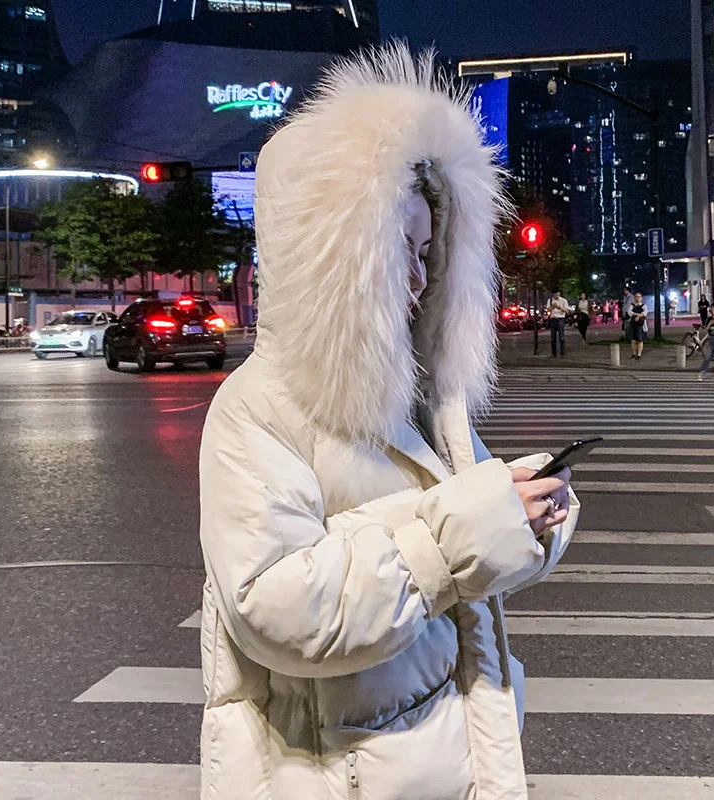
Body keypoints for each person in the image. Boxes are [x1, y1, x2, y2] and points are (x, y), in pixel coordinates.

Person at [197, 44, 579, 800]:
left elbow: (470, 540)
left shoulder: (426, 393)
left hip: (438, 759)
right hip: (329, 775)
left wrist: (528, 514)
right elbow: (275, 608)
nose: (418, 277)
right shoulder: (258, 407)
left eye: (429, 251)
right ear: (330, 257)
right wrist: (461, 530)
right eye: (395, 249)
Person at [546, 288, 570, 357]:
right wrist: (552, 307)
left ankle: (562, 353)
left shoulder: (563, 300)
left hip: (560, 319)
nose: (556, 295)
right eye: (554, 294)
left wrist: (560, 308)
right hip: (553, 319)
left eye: (557, 293)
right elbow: (548, 309)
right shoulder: (550, 300)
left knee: (561, 337)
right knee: (553, 338)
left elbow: (567, 311)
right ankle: (553, 353)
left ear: (559, 293)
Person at [627, 291, 648, 359]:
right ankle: (634, 353)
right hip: (633, 325)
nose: (637, 298)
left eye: (639, 297)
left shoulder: (644, 306)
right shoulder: (632, 305)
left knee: (640, 340)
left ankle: (639, 354)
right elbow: (629, 312)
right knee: (633, 340)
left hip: (641, 325)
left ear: (641, 298)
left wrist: (639, 316)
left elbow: (645, 313)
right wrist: (637, 314)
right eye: (636, 297)